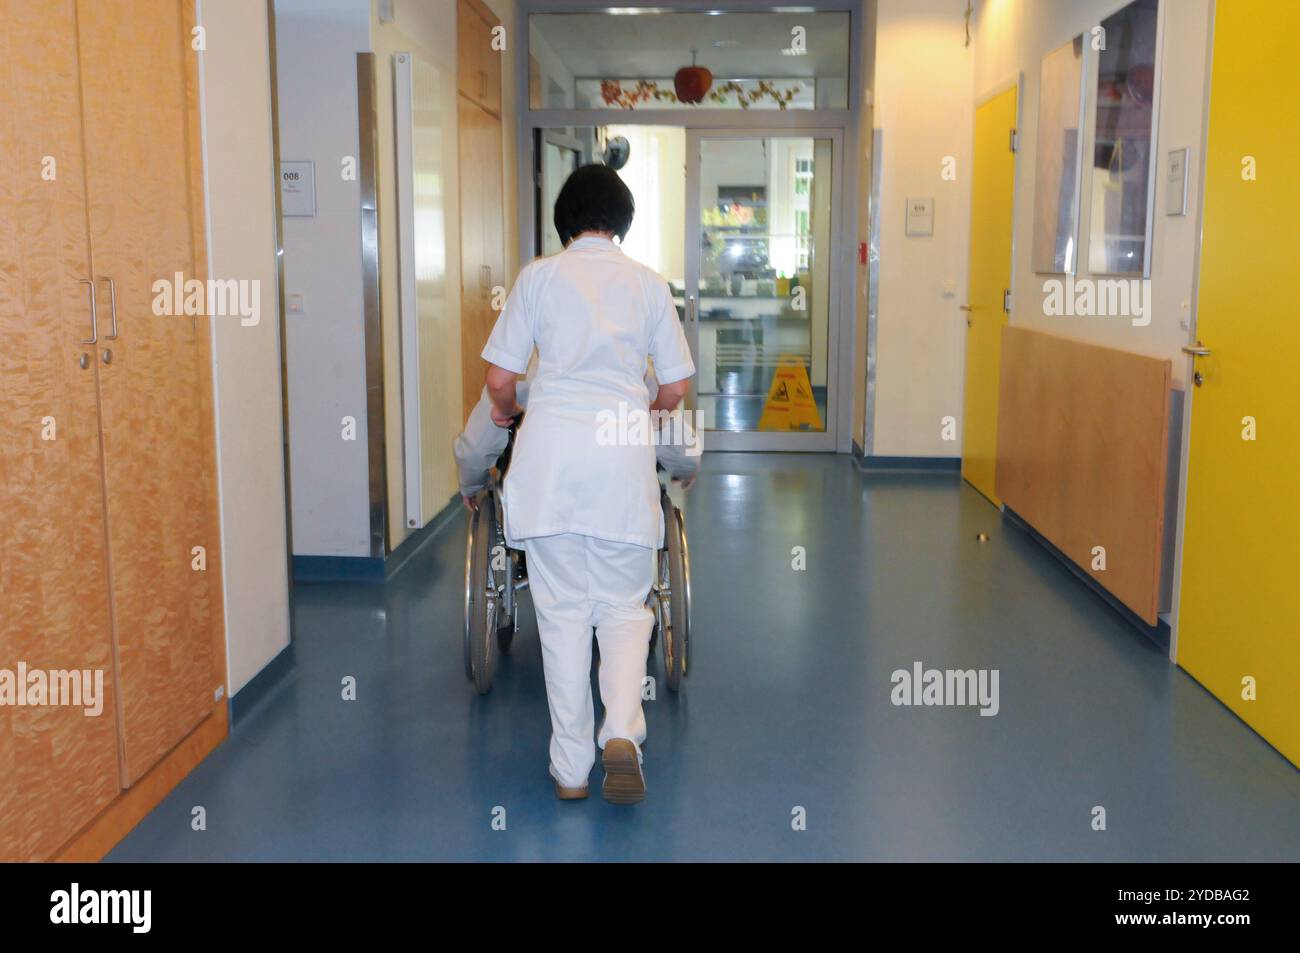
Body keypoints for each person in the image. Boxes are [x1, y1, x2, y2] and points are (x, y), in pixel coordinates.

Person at [473, 164, 696, 804]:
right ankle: (622, 733)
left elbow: (498, 380)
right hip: (620, 467)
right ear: (623, 222)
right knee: (626, 612)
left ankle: (570, 770)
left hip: (548, 468)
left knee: (563, 618)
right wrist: (641, 411)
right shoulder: (649, 286)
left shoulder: (538, 278)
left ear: (564, 221)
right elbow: (676, 387)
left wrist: (512, 411)